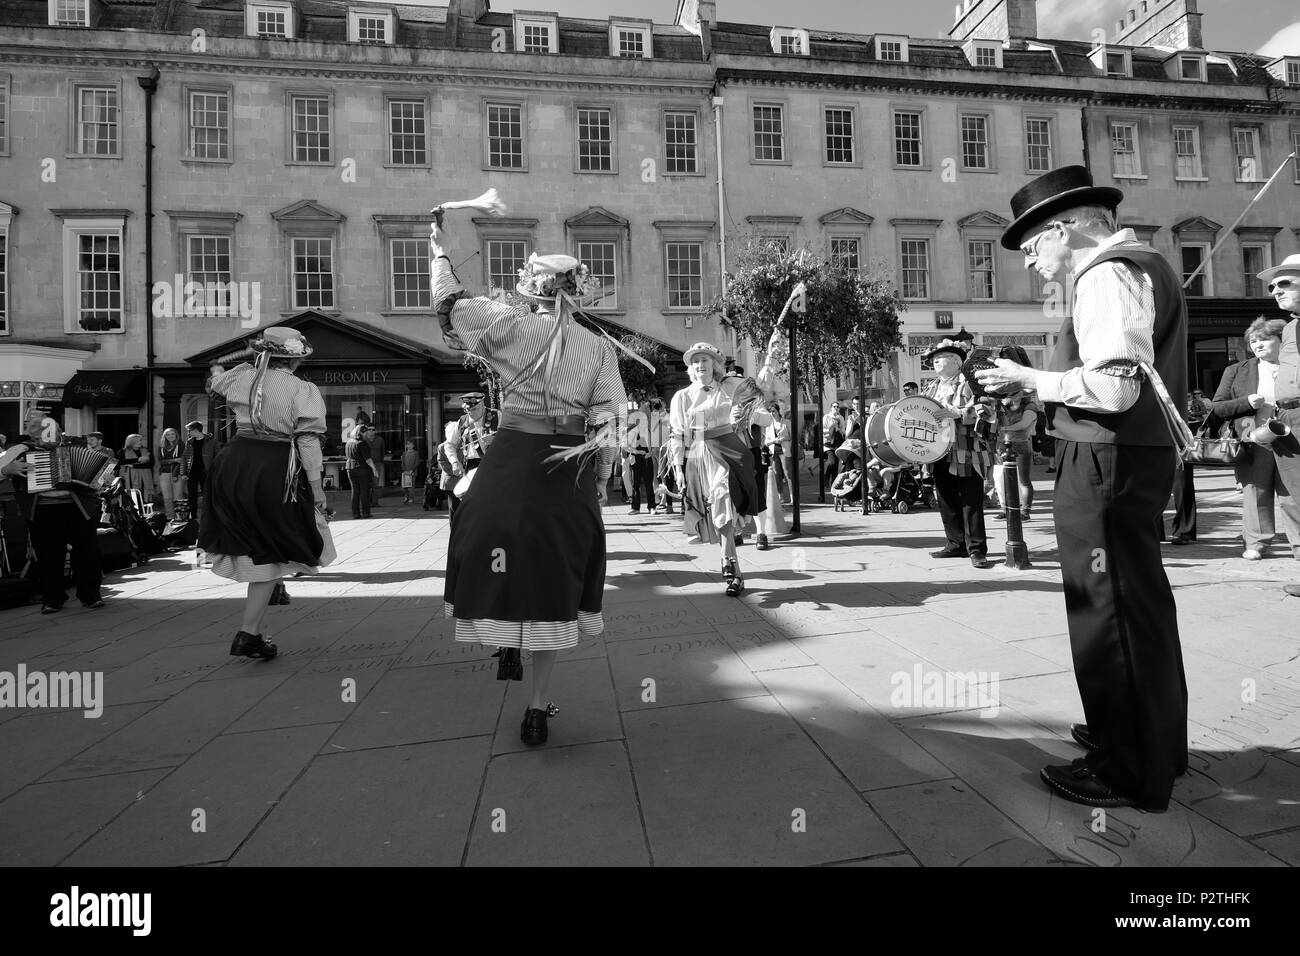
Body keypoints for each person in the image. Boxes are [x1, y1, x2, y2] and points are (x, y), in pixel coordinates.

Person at [979, 165, 1193, 812]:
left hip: (1105, 458)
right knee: (1140, 604)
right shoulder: (1144, 262)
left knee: (1106, 611)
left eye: (1036, 245)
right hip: (1127, 454)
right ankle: (1151, 741)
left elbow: (1113, 386)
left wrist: (1031, 379)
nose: (1033, 264)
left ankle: (1125, 767)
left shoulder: (1104, 272)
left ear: (1066, 228)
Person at [431, 215, 626, 747]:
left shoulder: (505, 326)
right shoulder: (599, 348)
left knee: (480, 530)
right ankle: (537, 708)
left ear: (529, 289)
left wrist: (440, 252)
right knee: (555, 570)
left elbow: (448, 303)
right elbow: (609, 424)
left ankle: (501, 632)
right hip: (566, 463)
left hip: (511, 455)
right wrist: (601, 480)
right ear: (577, 292)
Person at [200, 328, 335, 660]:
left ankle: (261, 622)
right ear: (297, 358)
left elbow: (213, 380)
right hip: (272, 468)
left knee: (256, 543)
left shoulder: (241, 376)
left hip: (232, 463)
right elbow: (307, 440)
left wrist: (238, 364)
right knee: (269, 551)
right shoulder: (302, 389)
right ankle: (248, 633)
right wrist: (317, 487)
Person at [668, 341, 766, 596]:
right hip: (700, 454)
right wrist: (679, 469)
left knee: (723, 498)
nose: (701, 365)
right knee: (717, 512)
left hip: (730, 449)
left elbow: (759, 398)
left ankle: (727, 563)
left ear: (715, 364)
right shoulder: (684, 397)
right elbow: (678, 434)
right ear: (691, 367)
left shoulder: (729, 387)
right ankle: (735, 570)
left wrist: (745, 414)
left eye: (705, 360)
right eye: (696, 361)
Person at [1210, 317, 1299, 562]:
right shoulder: (1237, 371)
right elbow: (1217, 408)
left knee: (1293, 494)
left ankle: (1299, 544)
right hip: (1253, 440)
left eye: (1264, 339)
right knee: (1255, 493)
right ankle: (1257, 543)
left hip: (1291, 439)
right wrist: (1246, 402)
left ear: (1282, 340)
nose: (1257, 345)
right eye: (1252, 341)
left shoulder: (1294, 366)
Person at [0, 408, 105, 613]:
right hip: (42, 510)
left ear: (58, 431)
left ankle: (90, 595)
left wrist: (100, 480)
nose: (43, 438)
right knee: (49, 556)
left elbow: (103, 471)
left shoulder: (76, 444)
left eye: (48, 432)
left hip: (78, 507)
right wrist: (8, 469)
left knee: (88, 552)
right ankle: (53, 598)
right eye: (37, 434)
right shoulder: (21, 449)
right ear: (31, 434)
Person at [922, 339, 997, 569]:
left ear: (956, 361)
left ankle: (976, 549)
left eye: (940, 357)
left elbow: (988, 409)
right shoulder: (931, 386)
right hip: (939, 450)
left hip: (967, 449)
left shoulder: (971, 383)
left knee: (971, 500)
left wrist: (956, 413)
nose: (935, 361)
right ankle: (955, 543)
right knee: (946, 498)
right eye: (933, 359)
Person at [1255, 254, 1300, 597]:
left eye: (1284, 283)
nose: (1275, 291)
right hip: (1288, 417)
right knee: (1293, 499)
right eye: (1272, 287)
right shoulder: (1289, 327)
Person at [990, 348, 1039, 522]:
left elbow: (1024, 424)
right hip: (1001, 445)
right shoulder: (1001, 402)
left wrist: (1003, 430)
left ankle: (1025, 511)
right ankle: (1006, 508)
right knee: (1000, 479)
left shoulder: (1030, 405)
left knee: (1022, 480)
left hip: (1020, 445)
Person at [624, 397, 661, 515]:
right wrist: (637, 452)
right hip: (635, 459)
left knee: (649, 483)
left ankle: (652, 507)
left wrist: (650, 453)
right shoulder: (631, 431)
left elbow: (655, 445)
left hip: (647, 458)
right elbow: (625, 446)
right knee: (635, 484)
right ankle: (635, 507)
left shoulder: (649, 431)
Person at [456, 392, 495, 474]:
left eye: (474, 409)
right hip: (469, 464)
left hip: (492, 462)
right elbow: (450, 444)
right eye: (468, 410)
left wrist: (495, 440)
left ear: (482, 405)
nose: (471, 413)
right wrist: (454, 463)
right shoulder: (462, 420)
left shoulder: (496, 415)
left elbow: (510, 438)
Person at [182, 420, 216, 514]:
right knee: (191, 495)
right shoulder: (189, 442)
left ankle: (208, 515)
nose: (188, 433)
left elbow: (217, 457)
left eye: (189, 430)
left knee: (207, 494)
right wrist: (183, 473)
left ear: (196, 430)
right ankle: (192, 515)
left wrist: (214, 472)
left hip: (206, 472)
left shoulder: (211, 441)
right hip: (192, 472)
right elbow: (185, 458)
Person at [436, 422, 465, 518]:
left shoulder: (464, 444)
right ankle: (454, 530)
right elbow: (442, 462)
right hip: (451, 481)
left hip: (464, 480)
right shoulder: (442, 447)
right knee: (453, 508)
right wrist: (456, 471)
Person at [117, 433, 156, 503]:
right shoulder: (123, 451)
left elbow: (151, 464)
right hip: (130, 477)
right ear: (131, 442)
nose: (140, 442)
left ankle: (145, 511)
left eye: (140, 440)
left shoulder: (146, 450)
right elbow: (121, 462)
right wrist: (138, 459)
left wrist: (134, 466)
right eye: (137, 441)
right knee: (133, 495)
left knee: (144, 496)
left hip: (145, 477)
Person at [345, 423, 372, 520]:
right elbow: (368, 459)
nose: (367, 434)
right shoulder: (362, 443)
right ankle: (366, 513)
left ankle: (355, 513)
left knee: (355, 491)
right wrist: (374, 469)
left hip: (350, 468)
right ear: (361, 432)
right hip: (362, 468)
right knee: (364, 491)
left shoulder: (348, 443)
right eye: (365, 432)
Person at [156, 427, 185, 519]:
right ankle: (170, 518)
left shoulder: (181, 445)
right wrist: (175, 460)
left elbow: (182, 460)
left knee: (178, 497)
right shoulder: (161, 447)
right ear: (164, 436)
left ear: (176, 435)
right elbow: (161, 461)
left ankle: (179, 518)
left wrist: (175, 473)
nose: (170, 436)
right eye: (168, 434)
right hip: (164, 474)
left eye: (172, 434)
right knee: (167, 498)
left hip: (177, 474)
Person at [821, 401, 845, 489]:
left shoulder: (841, 418)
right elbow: (823, 429)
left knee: (835, 465)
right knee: (832, 462)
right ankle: (826, 477)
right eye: (834, 406)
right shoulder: (826, 417)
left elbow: (843, 431)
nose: (836, 408)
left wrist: (838, 428)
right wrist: (831, 428)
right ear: (831, 408)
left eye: (838, 407)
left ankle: (833, 484)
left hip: (838, 443)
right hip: (828, 443)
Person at [367, 425, 386, 508]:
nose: (371, 431)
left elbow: (383, 451)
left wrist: (381, 461)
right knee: (367, 484)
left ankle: (375, 502)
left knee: (375, 484)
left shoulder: (380, 440)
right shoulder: (364, 440)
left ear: (375, 431)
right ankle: (367, 502)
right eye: (369, 429)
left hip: (377, 463)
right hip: (366, 464)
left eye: (373, 429)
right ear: (367, 430)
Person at [400, 439, 419, 505]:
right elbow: (402, 463)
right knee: (404, 486)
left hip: (412, 472)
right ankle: (406, 497)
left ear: (413, 445)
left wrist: (412, 470)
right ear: (406, 446)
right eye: (408, 444)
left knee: (411, 486)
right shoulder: (404, 453)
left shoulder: (416, 453)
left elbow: (417, 462)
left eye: (411, 444)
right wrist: (404, 470)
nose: (409, 446)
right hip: (405, 472)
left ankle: (411, 498)